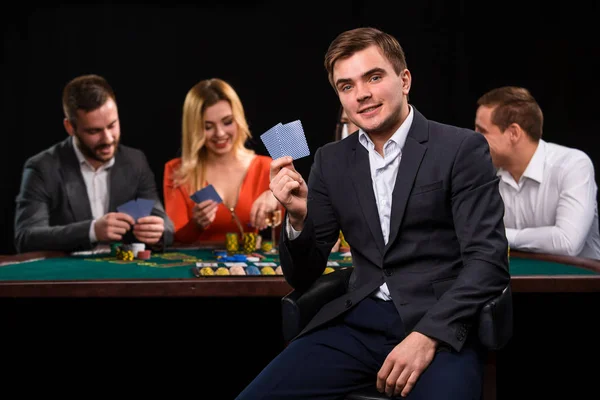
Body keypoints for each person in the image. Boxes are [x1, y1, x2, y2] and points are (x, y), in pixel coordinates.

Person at [237, 27, 509, 400]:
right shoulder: (330, 161)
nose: (361, 94)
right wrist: (299, 219)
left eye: (374, 77)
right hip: (356, 324)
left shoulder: (461, 148)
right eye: (346, 86)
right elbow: (303, 274)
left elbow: (488, 262)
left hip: (441, 327)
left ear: (404, 80)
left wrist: (427, 336)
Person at [14, 74, 173, 253]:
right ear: (70, 127)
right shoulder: (42, 168)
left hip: (123, 273)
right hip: (67, 276)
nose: (107, 138)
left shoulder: (135, 161)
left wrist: (158, 231)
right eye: (94, 131)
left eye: (112, 125)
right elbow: (26, 237)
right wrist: (92, 231)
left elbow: (164, 223)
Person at [475, 86, 600, 260]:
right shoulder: (486, 174)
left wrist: (502, 234)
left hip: (579, 283)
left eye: (482, 131)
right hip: (518, 283)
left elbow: (567, 242)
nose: (474, 139)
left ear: (514, 133)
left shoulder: (573, 165)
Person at [163, 78, 281, 244]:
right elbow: (174, 241)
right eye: (208, 126)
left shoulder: (266, 167)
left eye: (227, 122)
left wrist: (279, 200)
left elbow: (290, 236)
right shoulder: (176, 171)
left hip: (249, 267)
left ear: (238, 119)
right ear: (194, 129)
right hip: (193, 268)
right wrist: (195, 224)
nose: (220, 133)